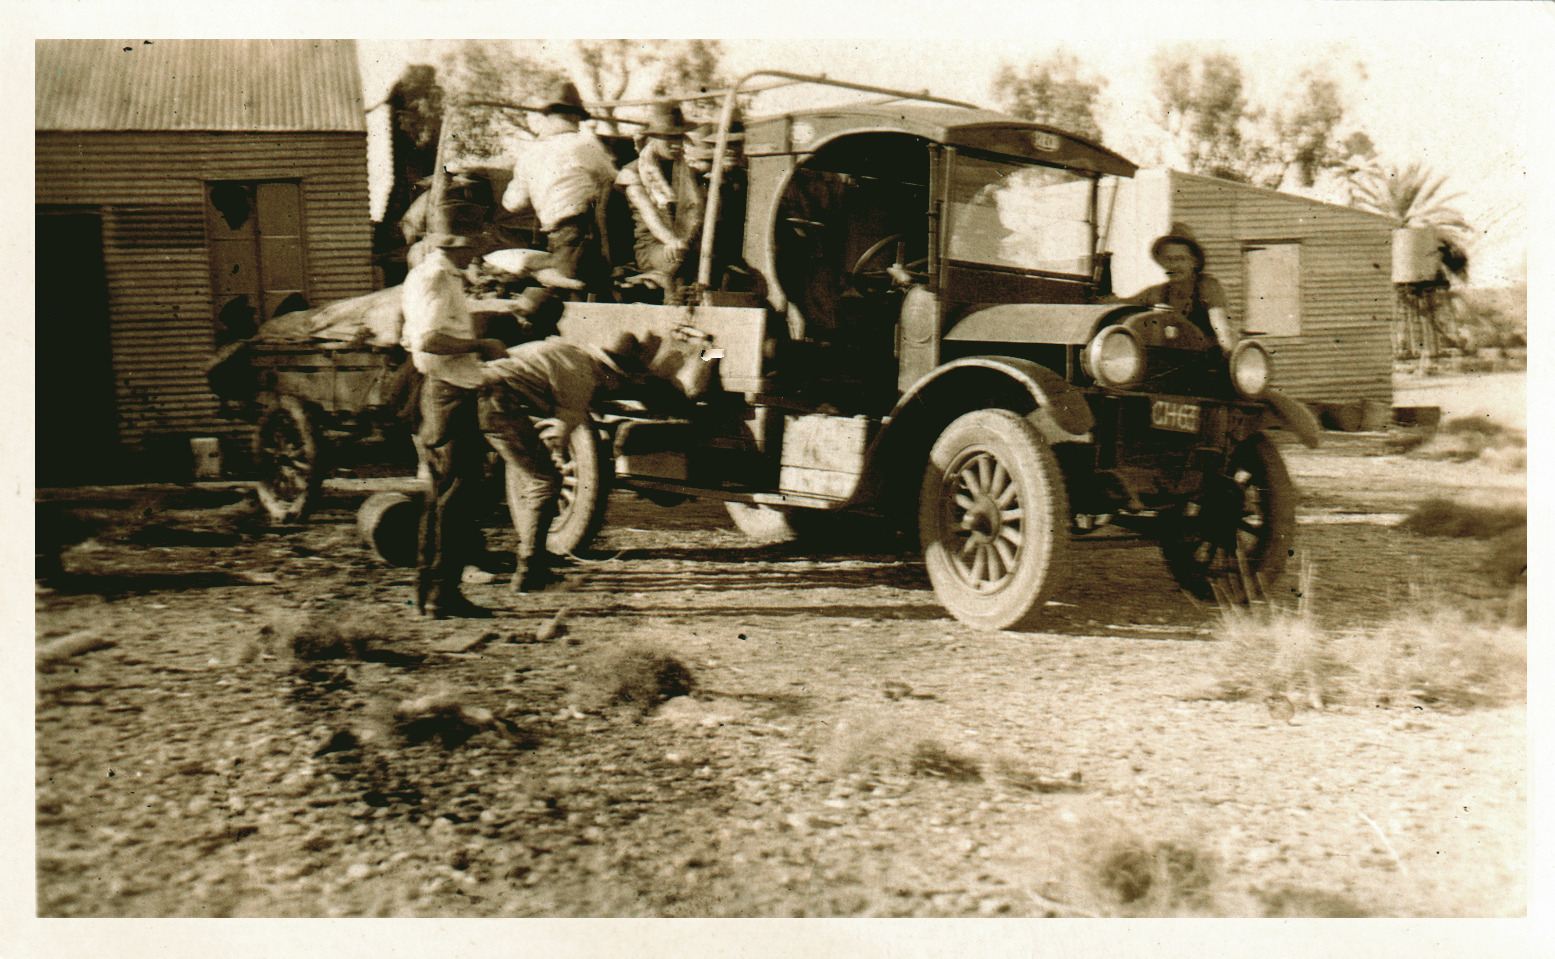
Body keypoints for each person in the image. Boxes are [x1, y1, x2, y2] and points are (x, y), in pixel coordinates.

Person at [480, 331, 663, 592]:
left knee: (467, 482)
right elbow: (561, 436)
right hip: (493, 401)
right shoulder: (582, 378)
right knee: (546, 482)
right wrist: (554, 457)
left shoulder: (568, 354)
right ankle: (530, 571)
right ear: (608, 371)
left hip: (465, 390)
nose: (614, 387)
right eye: (618, 379)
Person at [400, 215, 511, 619]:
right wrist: (481, 345)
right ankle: (441, 594)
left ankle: (427, 592)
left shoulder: (436, 275)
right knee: (455, 497)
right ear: (459, 245)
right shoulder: (436, 279)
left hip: (447, 389)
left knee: (442, 496)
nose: (479, 252)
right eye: (475, 244)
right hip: (447, 393)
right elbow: (429, 339)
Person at [501, 81, 619, 292]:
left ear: (548, 117)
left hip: (553, 236)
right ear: (575, 117)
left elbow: (512, 204)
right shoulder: (585, 144)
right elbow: (614, 180)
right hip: (583, 235)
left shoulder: (528, 155)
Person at [616, 101, 701, 301]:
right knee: (681, 256)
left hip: (683, 240)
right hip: (651, 246)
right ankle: (674, 304)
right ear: (652, 138)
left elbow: (695, 209)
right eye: (668, 138)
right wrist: (671, 241)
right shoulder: (633, 172)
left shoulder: (686, 170)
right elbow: (650, 215)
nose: (676, 144)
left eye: (678, 137)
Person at [1123, 222, 1240, 354]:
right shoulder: (1158, 292)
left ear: (1194, 262)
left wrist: (1229, 351)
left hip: (1205, 359)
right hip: (1170, 359)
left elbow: (1222, 327)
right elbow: (1123, 304)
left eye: (1180, 259)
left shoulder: (1207, 286)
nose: (1174, 266)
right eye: (1169, 259)